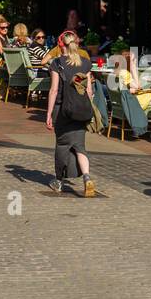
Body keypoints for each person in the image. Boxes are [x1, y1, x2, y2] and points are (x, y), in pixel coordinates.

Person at [46, 30, 97, 197]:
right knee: (79, 146)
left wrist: (48, 113)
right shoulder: (84, 63)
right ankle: (87, 178)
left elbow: (54, 90)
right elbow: (89, 91)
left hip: (63, 110)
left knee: (62, 145)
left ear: (61, 45)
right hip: (81, 110)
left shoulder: (57, 63)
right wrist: (88, 108)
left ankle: (59, 181)